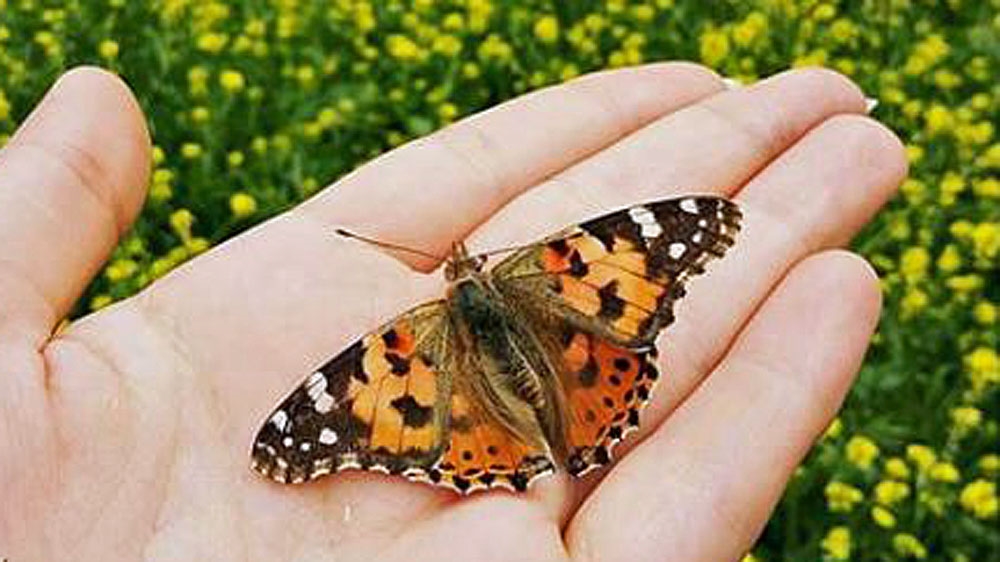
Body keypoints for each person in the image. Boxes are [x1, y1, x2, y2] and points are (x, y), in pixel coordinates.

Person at [0, 63, 905, 561]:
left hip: (482, 419)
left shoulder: (402, 350)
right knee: (585, 370)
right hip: (585, 367)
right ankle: (569, 421)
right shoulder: (556, 266)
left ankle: (530, 437)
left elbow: (363, 399)